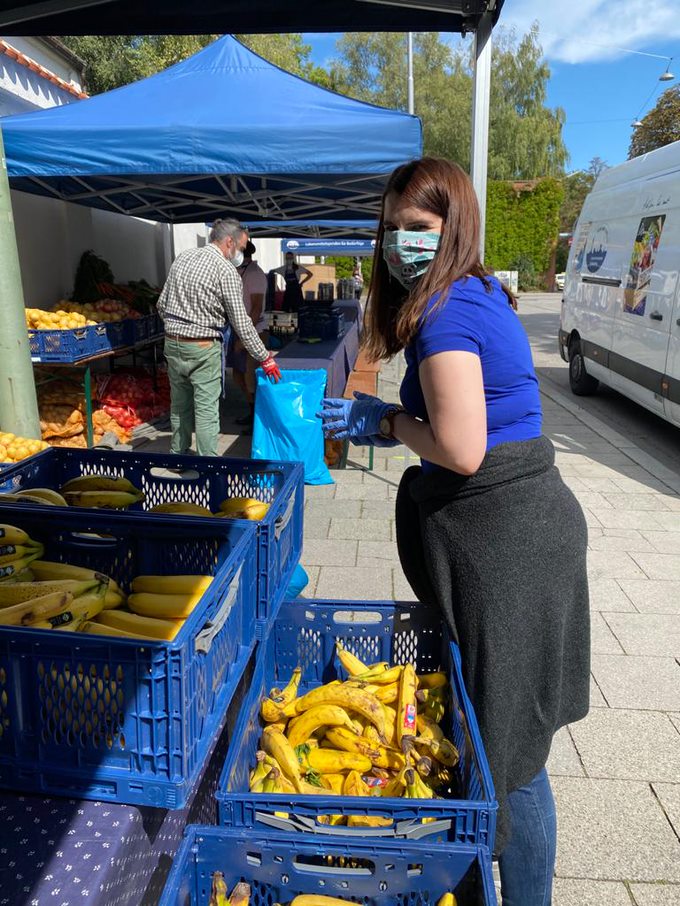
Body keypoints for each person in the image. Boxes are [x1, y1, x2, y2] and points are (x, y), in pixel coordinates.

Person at [320, 157, 590, 906]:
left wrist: (388, 420)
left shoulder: (447, 311)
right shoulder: (472, 293)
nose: (401, 241)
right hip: (519, 531)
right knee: (506, 744)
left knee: (512, 759)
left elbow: (464, 449)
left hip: (511, 545)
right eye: (391, 229)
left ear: (454, 227)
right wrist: (394, 425)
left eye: (419, 228)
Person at [158, 219, 281, 456]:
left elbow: (162, 304)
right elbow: (242, 321)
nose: (241, 253)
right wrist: (264, 357)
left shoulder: (183, 258)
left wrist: (178, 327)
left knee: (179, 406)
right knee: (206, 411)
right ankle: (208, 466)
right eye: (242, 247)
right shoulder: (226, 270)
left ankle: (178, 455)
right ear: (229, 242)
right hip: (203, 346)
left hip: (172, 343)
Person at [230, 240, 269, 429]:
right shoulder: (240, 272)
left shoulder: (254, 274)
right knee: (238, 375)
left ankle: (257, 418)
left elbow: (256, 308)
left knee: (249, 376)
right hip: (239, 330)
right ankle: (251, 410)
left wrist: (245, 337)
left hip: (255, 331)